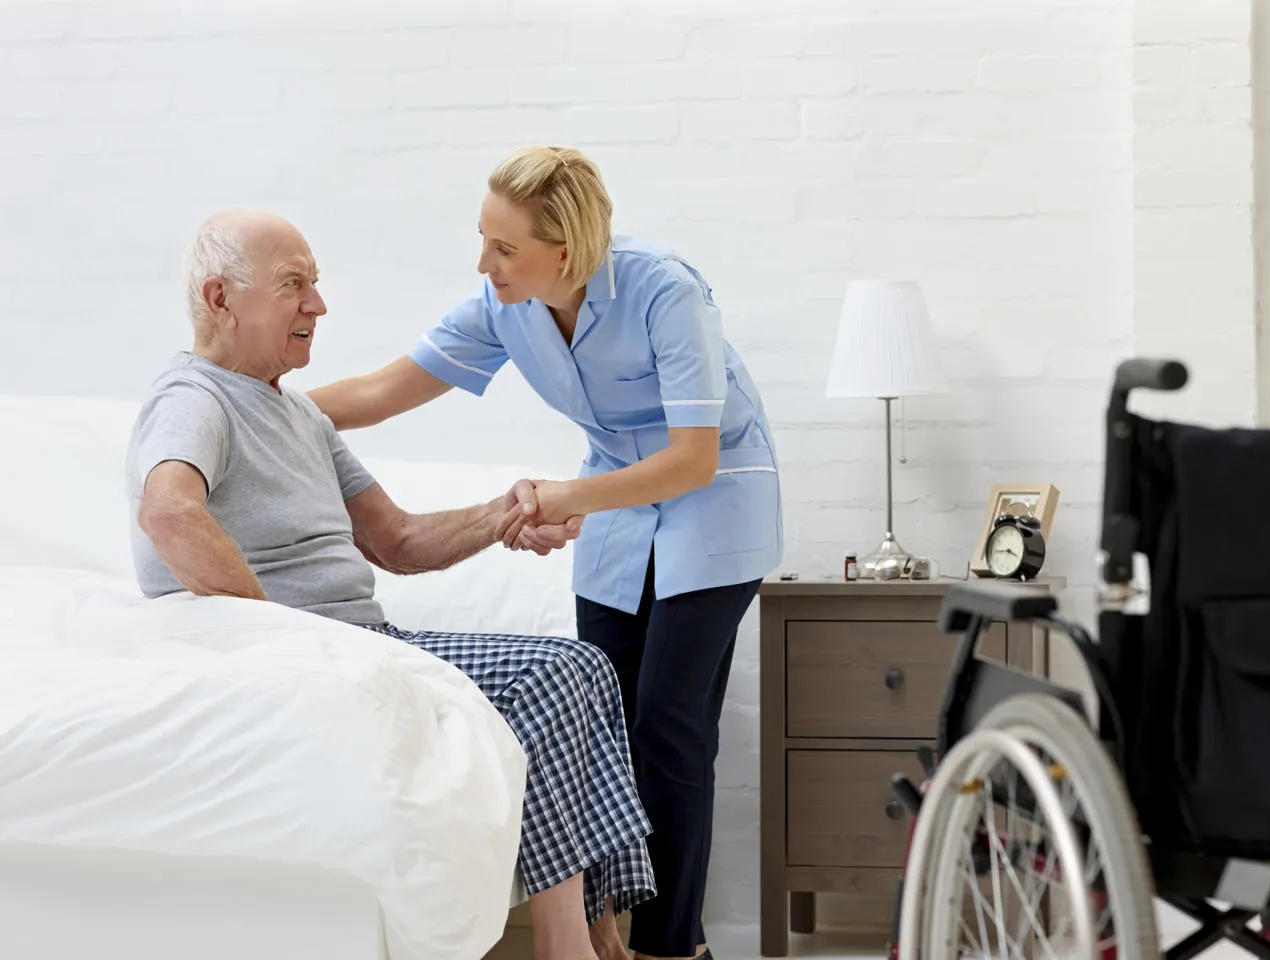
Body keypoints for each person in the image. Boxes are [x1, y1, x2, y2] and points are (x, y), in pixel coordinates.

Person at [127, 208, 652, 960]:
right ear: (219, 299)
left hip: (365, 644)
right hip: (318, 653)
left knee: (585, 670)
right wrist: (278, 636)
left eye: (316, 283)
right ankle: (565, 945)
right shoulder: (195, 398)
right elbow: (168, 512)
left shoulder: (298, 413)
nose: (318, 304)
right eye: (293, 285)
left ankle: (599, 930)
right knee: (554, 674)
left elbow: (397, 541)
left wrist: (506, 513)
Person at [307, 145, 784, 960]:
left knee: (669, 725)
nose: (484, 262)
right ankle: (604, 939)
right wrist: (245, 406)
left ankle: (675, 949)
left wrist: (564, 499)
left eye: (503, 247)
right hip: (615, 507)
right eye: (483, 239)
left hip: (716, 502)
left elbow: (694, 458)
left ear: (564, 250)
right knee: (600, 723)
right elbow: (384, 392)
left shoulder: (664, 289)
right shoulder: (504, 305)